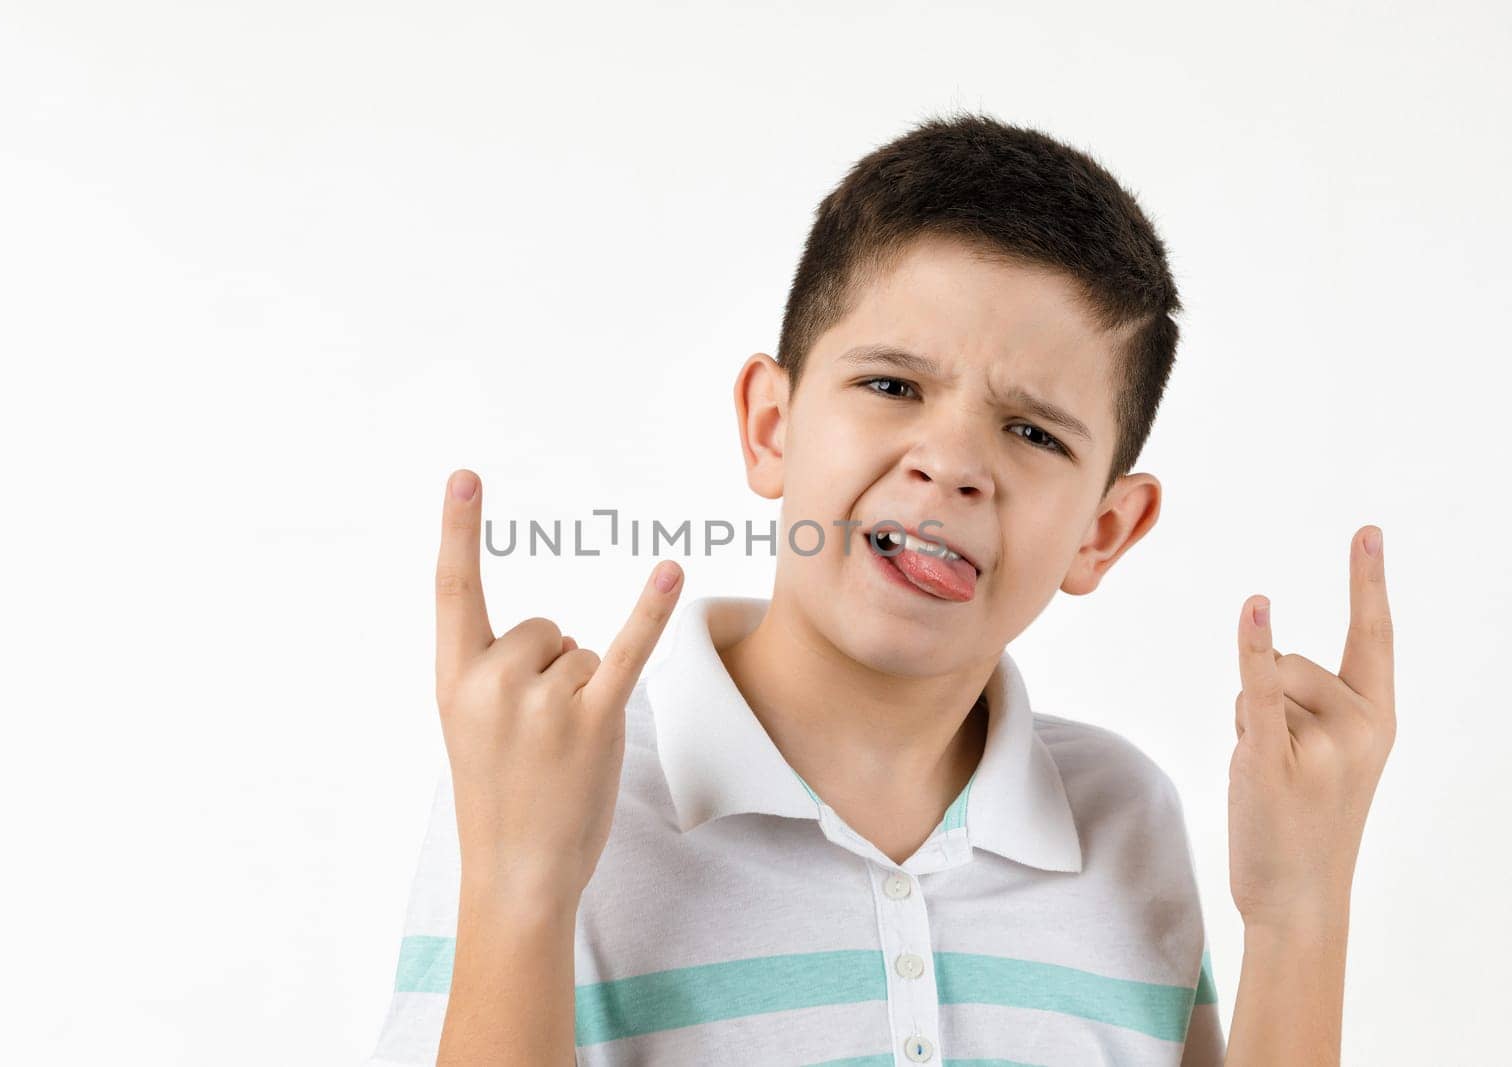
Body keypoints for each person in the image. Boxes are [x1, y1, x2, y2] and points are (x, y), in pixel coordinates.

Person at [363, 113, 1396, 1066]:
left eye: (1032, 431)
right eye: (892, 385)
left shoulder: (1125, 816)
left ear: (1102, 530)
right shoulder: (546, 777)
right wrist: (520, 888)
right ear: (772, 426)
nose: (950, 462)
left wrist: (1301, 910)